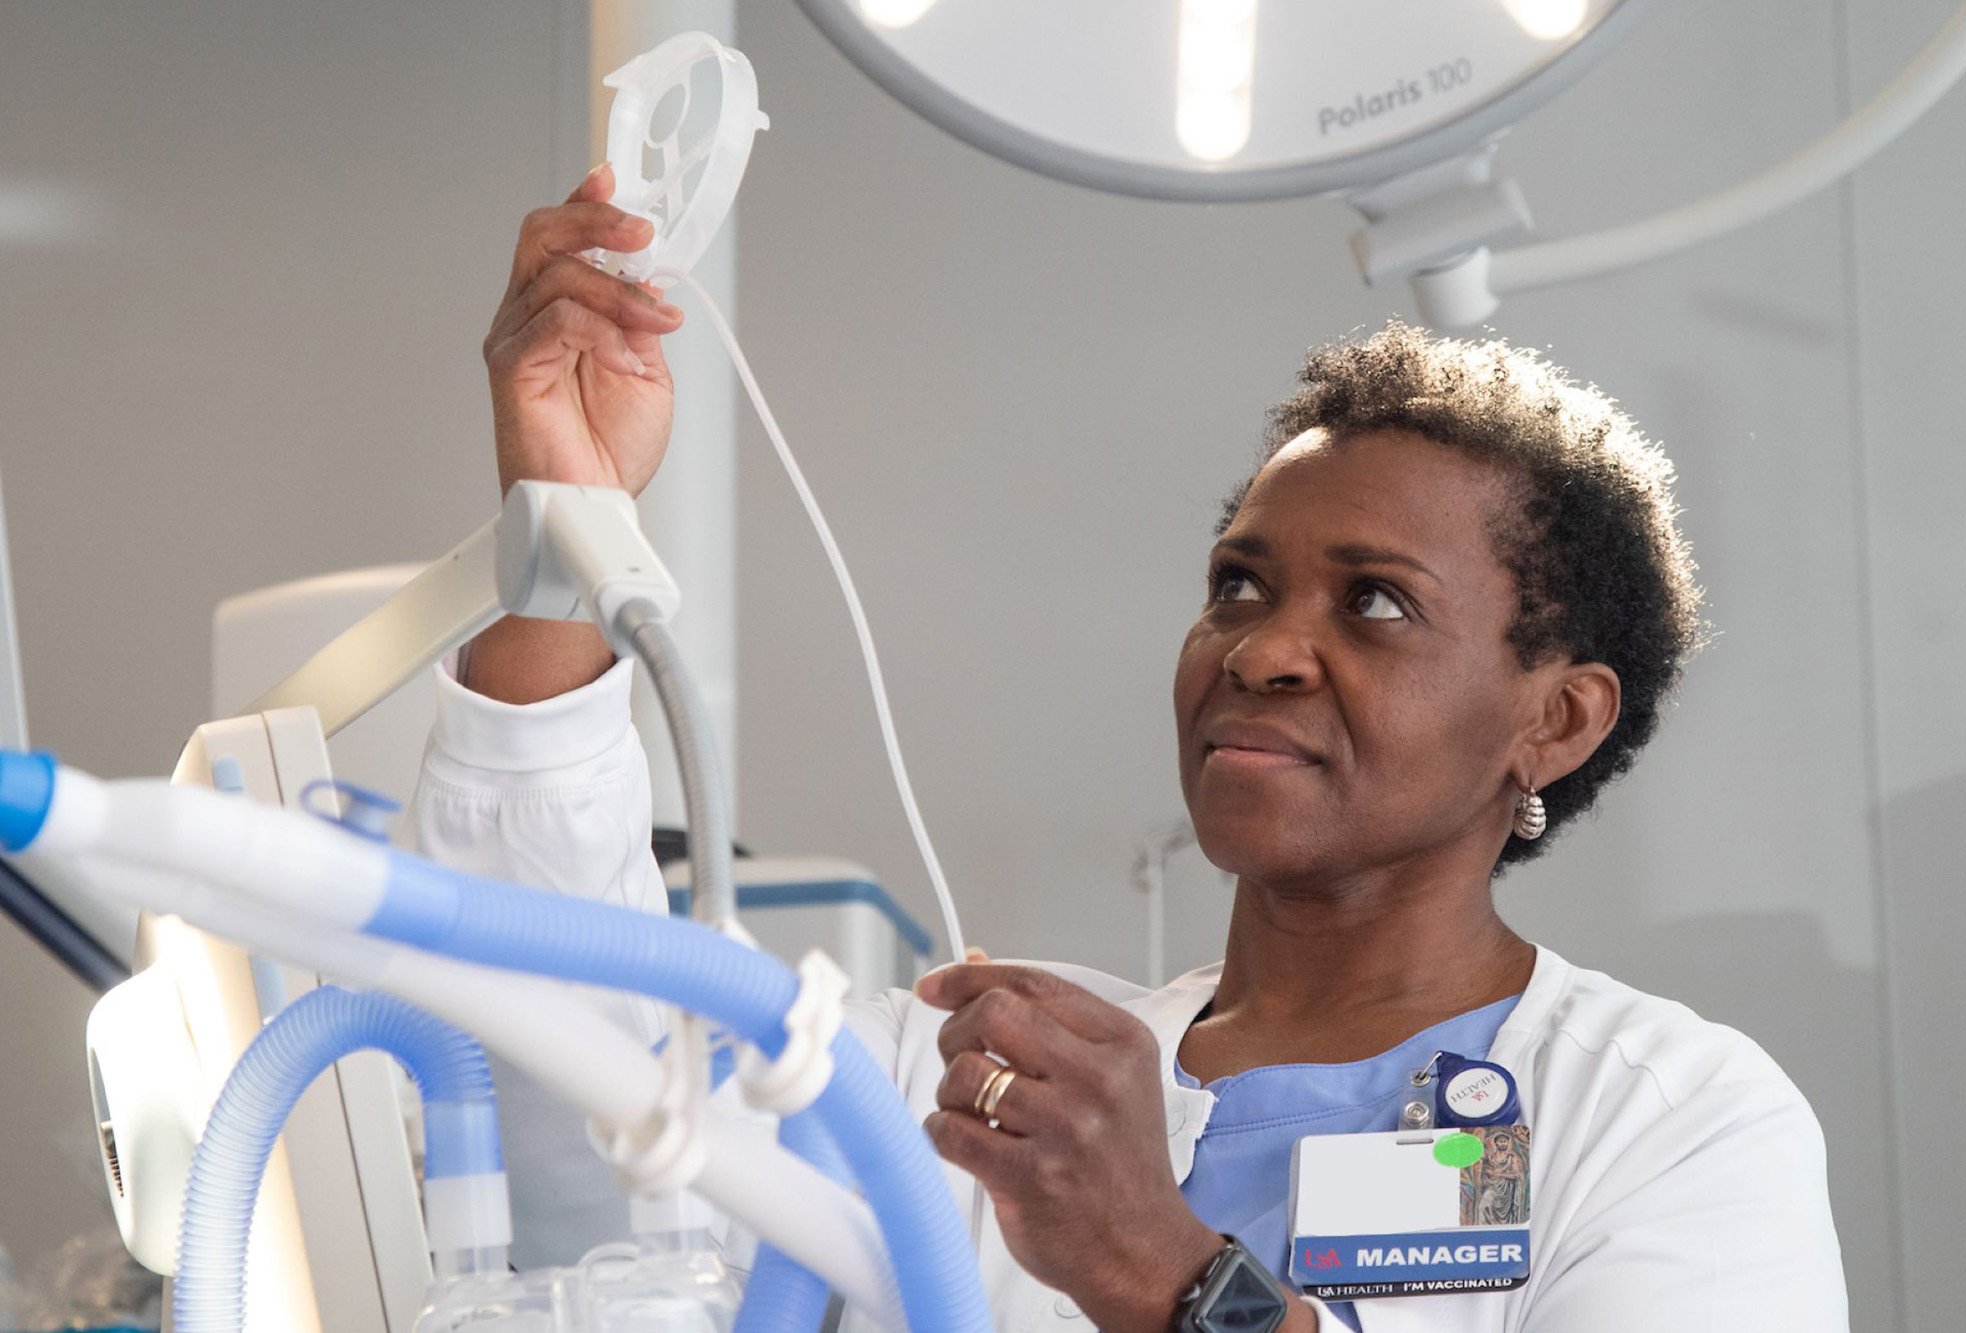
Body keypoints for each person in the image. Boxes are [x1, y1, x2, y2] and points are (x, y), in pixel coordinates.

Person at [414, 165, 1849, 1330]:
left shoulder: (1667, 1118)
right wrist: (570, 526)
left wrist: (1163, 1272)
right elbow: (567, 1118)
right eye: (1240, 584)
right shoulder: (970, 1077)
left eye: (1375, 601)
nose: (1264, 649)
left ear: (1555, 718)